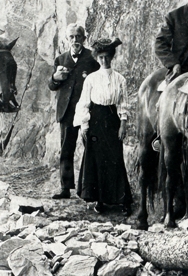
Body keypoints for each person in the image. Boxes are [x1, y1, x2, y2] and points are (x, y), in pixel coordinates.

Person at [73, 38, 132, 215]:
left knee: (115, 159)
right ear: (97, 58)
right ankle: (99, 200)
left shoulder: (120, 79)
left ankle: (122, 200)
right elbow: (83, 102)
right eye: (101, 57)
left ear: (111, 57)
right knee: (96, 160)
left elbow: (123, 103)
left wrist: (123, 124)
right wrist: (84, 126)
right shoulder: (91, 79)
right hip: (96, 121)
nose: (104, 60)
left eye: (107, 57)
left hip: (112, 119)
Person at [48, 24, 100, 200]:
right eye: (71, 37)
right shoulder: (60, 59)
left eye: (78, 37)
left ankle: (89, 188)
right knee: (66, 149)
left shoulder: (92, 59)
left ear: (84, 39)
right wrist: (55, 78)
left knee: (90, 147)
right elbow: (52, 85)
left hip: (87, 111)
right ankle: (65, 188)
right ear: (66, 39)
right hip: (67, 111)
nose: (75, 40)